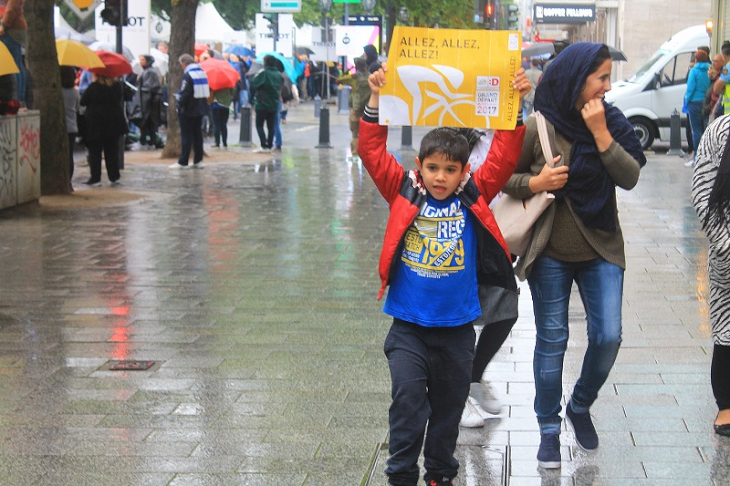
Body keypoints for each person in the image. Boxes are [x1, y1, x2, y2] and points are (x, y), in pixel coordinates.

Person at [360, 63, 530, 486]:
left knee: (449, 410)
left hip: (456, 331)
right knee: (407, 404)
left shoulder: (474, 194)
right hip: (408, 329)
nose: (440, 177)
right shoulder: (405, 190)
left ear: (464, 173)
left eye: (450, 170)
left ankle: (440, 474)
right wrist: (375, 100)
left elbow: (506, 156)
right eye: (433, 168)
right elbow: (372, 153)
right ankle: (400, 474)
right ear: (420, 166)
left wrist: (516, 105)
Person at [502, 43, 646, 469]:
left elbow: (630, 177)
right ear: (575, 79)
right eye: (600, 77)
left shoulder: (612, 119)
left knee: (607, 336)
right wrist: (536, 181)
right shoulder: (539, 125)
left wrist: (601, 133)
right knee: (552, 340)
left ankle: (579, 404)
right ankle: (548, 428)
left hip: (601, 243)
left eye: (608, 77)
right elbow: (502, 177)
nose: (608, 84)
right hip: (550, 250)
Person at [691, 114, 730, 438]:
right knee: (727, 328)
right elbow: (703, 195)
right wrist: (725, 244)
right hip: (728, 254)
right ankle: (727, 405)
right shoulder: (720, 131)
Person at [79, 73, 127, 186]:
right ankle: (114, 177)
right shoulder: (117, 86)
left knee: (95, 152)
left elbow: (83, 101)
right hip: (113, 123)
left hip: (95, 124)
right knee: (112, 151)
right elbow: (119, 98)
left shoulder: (93, 87)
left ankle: (96, 178)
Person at [170, 53, 209, 169]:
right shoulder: (202, 73)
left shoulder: (188, 75)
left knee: (186, 135)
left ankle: (183, 161)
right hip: (200, 109)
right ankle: (198, 160)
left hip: (188, 110)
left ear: (184, 63)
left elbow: (184, 92)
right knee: (197, 135)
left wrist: (179, 104)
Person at [251, 55, 283, 153]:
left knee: (259, 125)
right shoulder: (279, 74)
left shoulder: (263, 73)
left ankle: (263, 145)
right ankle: (269, 145)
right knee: (271, 126)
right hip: (274, 103)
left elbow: (254, 83)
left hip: (262, 103)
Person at [684, 49, 711, 167]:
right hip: (706, 102)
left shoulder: (694, 71)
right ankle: (706, 157)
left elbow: (690, 88)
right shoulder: (710, 69)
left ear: (696, 59)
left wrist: (686, 101)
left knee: (696, 131)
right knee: (705, 129)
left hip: (694, 102)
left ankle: (696, 157)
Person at [342, 56, 371, 161]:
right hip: (368, 109)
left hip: (356, 108)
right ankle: (366, 154)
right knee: (366, 133)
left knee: (355, 133)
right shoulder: (370, 78)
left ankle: (355, 153)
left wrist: (348, 71)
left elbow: (339, 79)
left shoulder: (354, 78)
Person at [0, 0, 26, 104]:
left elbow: (11, 9)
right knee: (18, 66)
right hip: (17, 30)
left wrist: (3, 24)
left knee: (13, 66)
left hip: (11, 30)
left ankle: (16, 99)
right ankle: (20, 99)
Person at [137, 54, 163, 149]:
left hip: (149, 105)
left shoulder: (149, 72)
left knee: (149, 124)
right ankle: (149, 140)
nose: (141, 62)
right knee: (148, 124)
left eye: (143, 60)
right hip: (148, 103)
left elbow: (148, 89)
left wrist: (145, 104)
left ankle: (150, 141)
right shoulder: (147, 72)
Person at [60, 66, 79, 183]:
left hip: (60, 127)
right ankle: (69, 180)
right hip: (72, 127)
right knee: (69, 155)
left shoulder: (57, 92)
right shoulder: (75, 92)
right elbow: (78, 108)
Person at [705, 53, 725, 124]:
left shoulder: (724, 75)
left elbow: (716, 91)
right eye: (713, 61)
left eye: (715, 61)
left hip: (720, 110)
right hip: (713, 108)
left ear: (722, 62)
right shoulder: (714, 75)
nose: (713, 63)